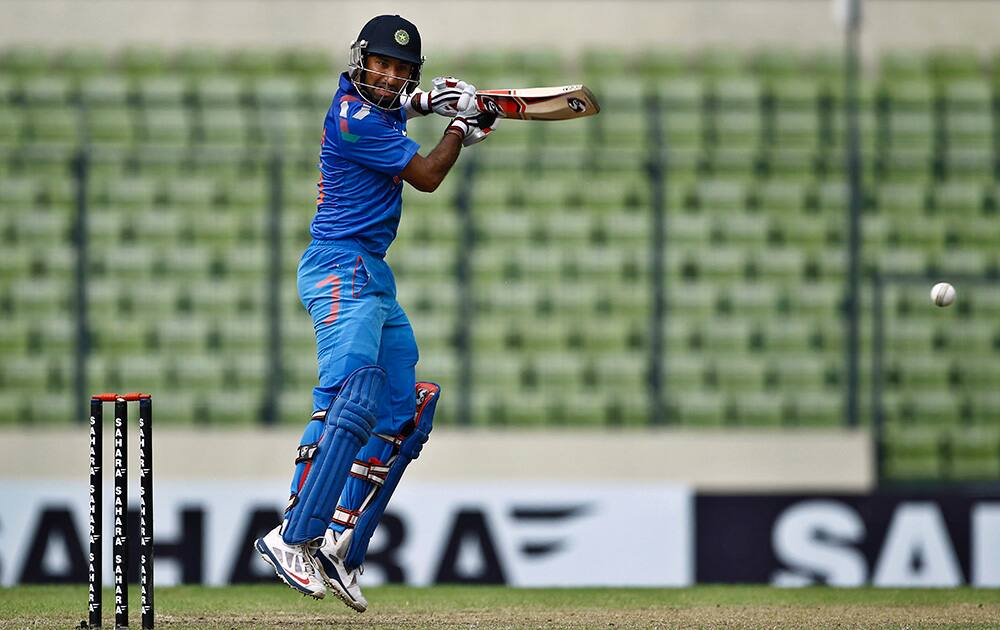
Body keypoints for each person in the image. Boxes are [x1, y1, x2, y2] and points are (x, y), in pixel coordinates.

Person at [253, 14, 497, 612]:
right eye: (379, 65)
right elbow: (428, 176)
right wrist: (460, 126)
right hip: (338, 266)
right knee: (351, 392)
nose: (386, 77)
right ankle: (292, 537)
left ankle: (340, 544)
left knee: (404, 409)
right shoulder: (350, 117)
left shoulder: (381, 106)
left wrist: (430, 101)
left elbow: (398, 105)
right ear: (359, 60)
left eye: (399, 70)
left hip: (370, 272)